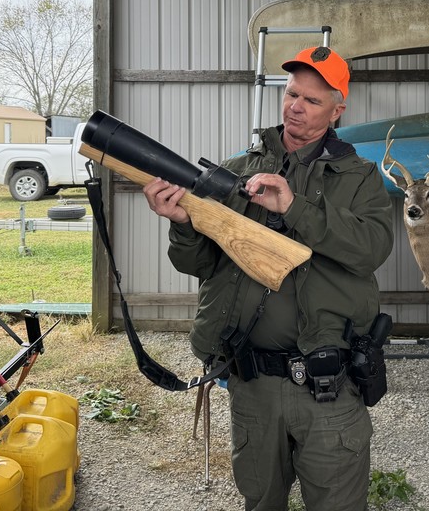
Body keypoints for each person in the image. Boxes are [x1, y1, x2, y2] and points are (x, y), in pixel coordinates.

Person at [142, 45, 394, 511]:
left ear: (339, 110)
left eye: (312, 100)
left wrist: (294, 207)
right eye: (292, 93)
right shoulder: (237, 171)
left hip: (329, 387)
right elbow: (197, 264)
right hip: (252, 383)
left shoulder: (360, 178)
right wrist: (181, 221)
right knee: (260, 502)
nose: (296, 106)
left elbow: (371, 249)